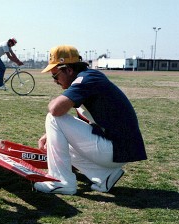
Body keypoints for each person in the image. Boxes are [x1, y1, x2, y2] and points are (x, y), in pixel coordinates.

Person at [34, 45, 147, 195]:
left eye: (55, 75)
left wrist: (51, 103)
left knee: (53, 117)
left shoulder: (87, 78)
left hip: (115, 149)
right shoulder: (89, 77)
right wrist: (51, 135)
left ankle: (61, 181)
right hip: (119, 149)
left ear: (68, 69)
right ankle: (104, 176)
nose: (55, 81)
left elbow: (55, 109)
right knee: (57, 144)